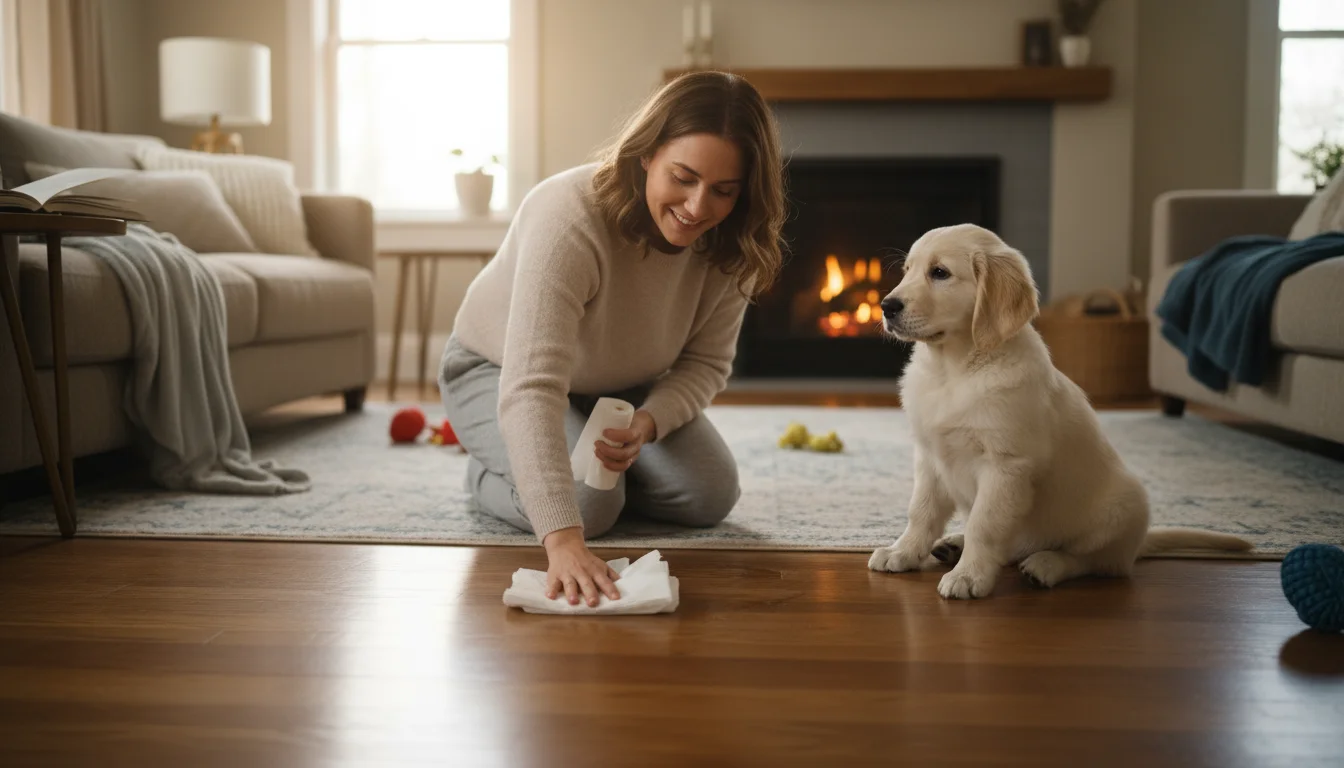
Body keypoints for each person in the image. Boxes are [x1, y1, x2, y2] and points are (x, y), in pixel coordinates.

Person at [438, 70, 786, 608]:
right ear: (646, 154)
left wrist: (648, 423)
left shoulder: (735, 241)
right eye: (683, 177)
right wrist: (562, 541)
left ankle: (568, 468)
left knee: (709, 494)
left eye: (722, 191)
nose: (697, 207)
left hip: (623, 390)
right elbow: (532, 385)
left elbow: (705, 365)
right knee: (586, 508)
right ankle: (492, 469)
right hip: (498, 372)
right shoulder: (568, 214)